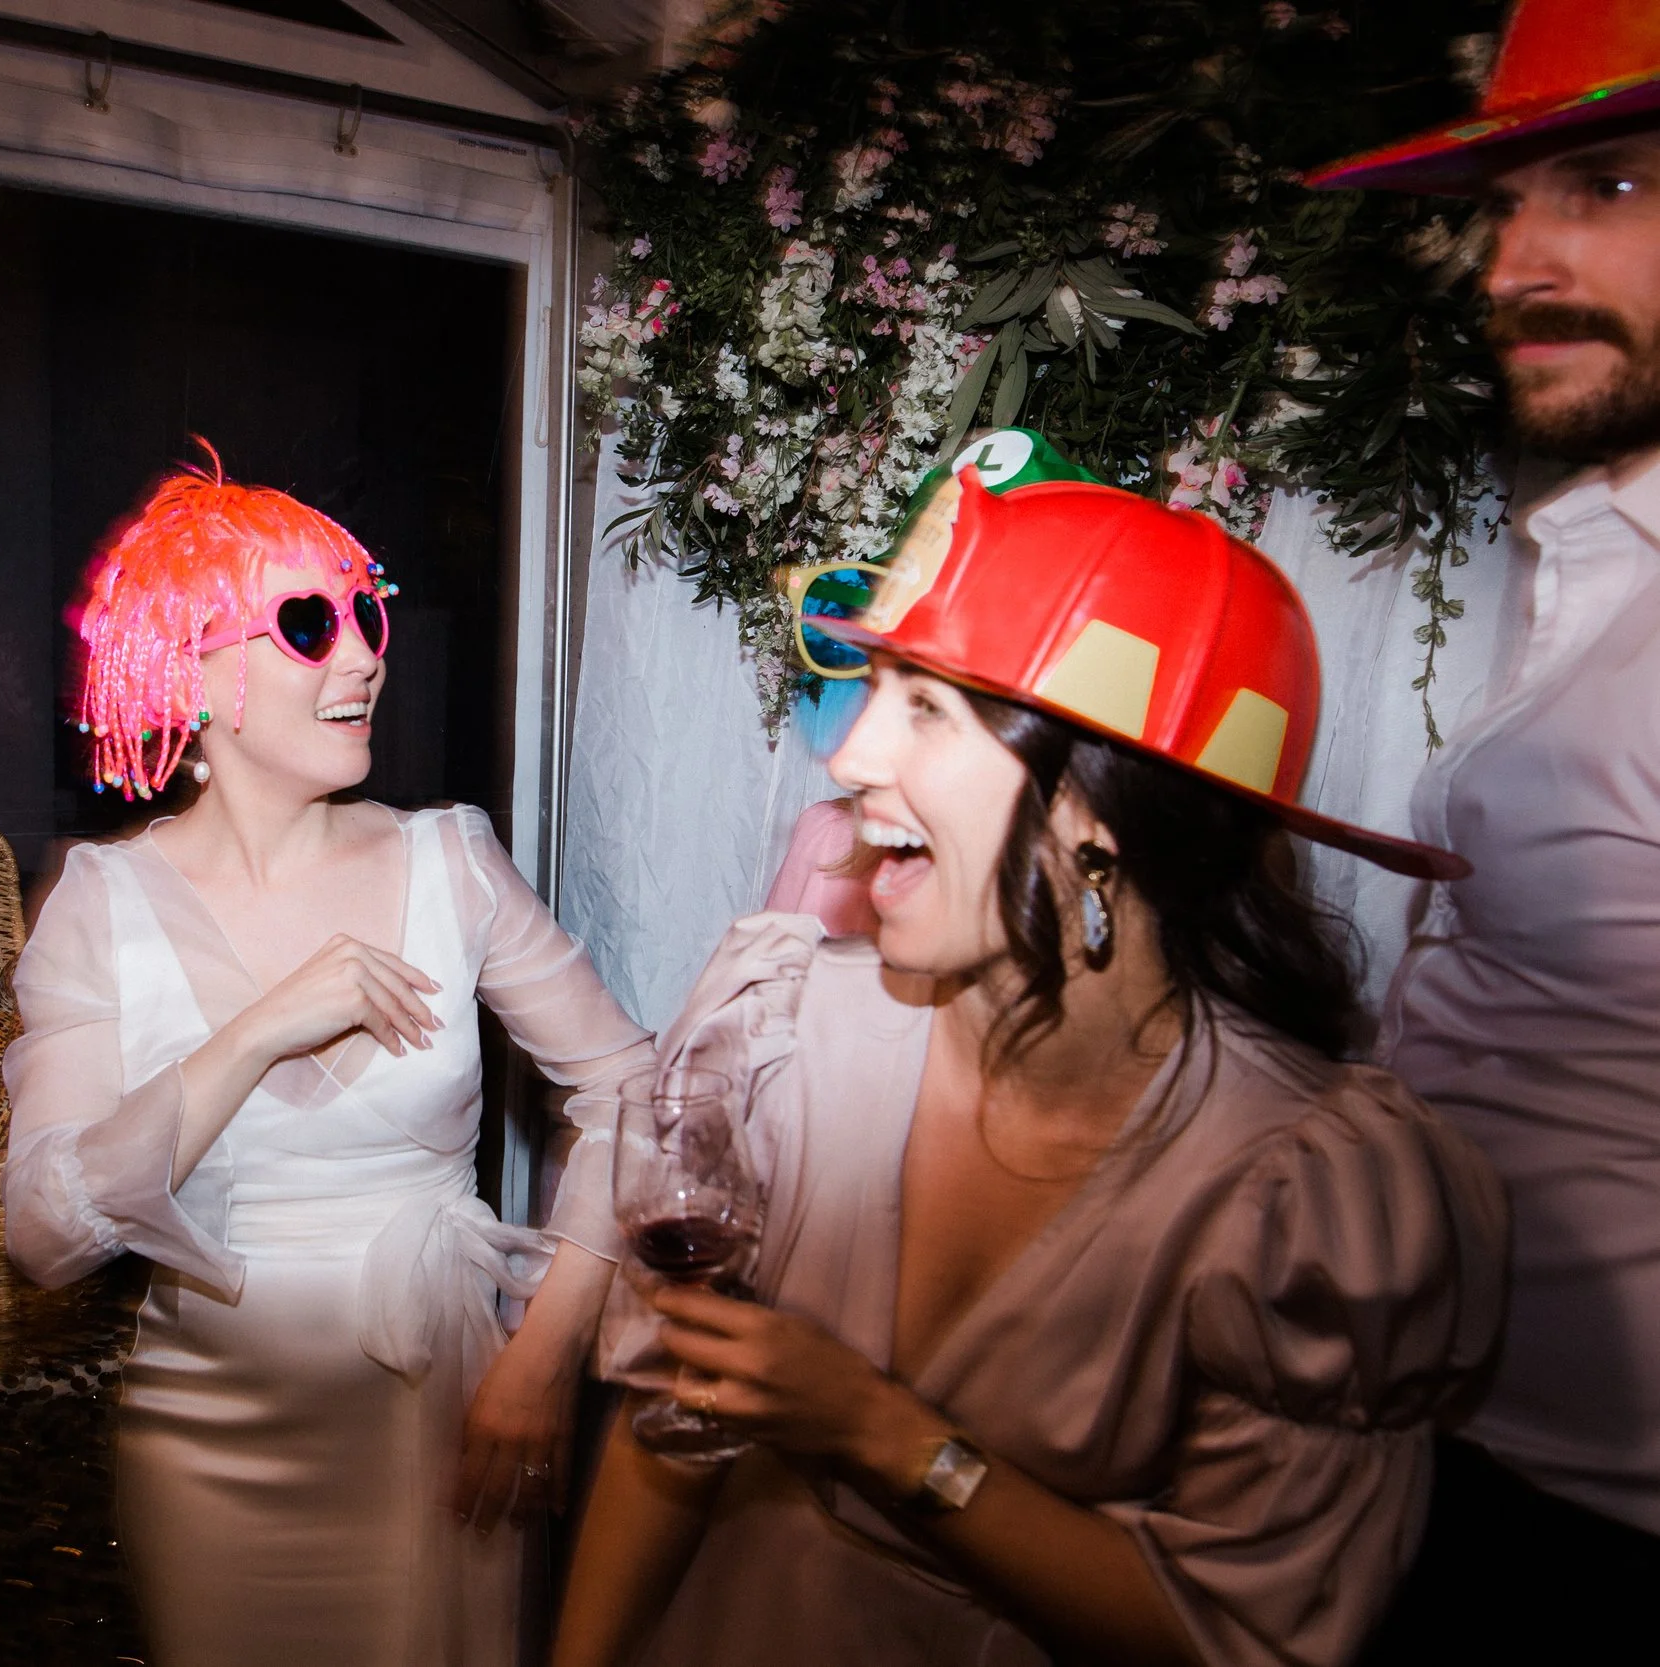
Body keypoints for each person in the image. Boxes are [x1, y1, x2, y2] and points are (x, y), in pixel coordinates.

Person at [550, 462, 1507, 1667]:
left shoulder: (1299, 1185)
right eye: (871, 689)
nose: (847, 758)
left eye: (929, 707)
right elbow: (667, 1422)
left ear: (1101, 808)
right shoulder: (783, 1028)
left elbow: (1237, 1632)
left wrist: (892, 1437)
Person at [0, 454, 651, 1667]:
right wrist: (253, 1033)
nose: (363, 655)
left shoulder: (449, 861)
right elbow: (43, 1236)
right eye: (308, 624)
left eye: (366, 612)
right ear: (189, 666)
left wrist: (547, 1348)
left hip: (450, 1412)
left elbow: (628, 1087)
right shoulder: (98, 902)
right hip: (210, 1441)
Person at [1304, 5, 1660, 1650]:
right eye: (1506, 200)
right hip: (1451, 1452)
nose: (1515, 257)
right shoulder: (1597, 557)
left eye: (1604, 183)